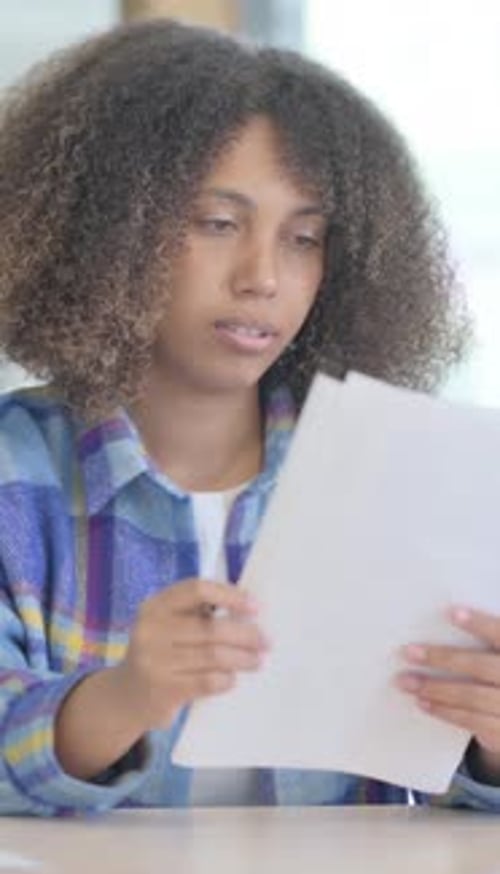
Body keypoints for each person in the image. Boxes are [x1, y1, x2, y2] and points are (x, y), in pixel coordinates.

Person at [0, 18, 498, 818]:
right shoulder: (14, 475)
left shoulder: (401, 476)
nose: (263, 277)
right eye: (218, 223)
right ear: (103, 229)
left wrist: (489, 742)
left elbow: (461, 800)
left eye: (304, 238)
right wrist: (126, 695)